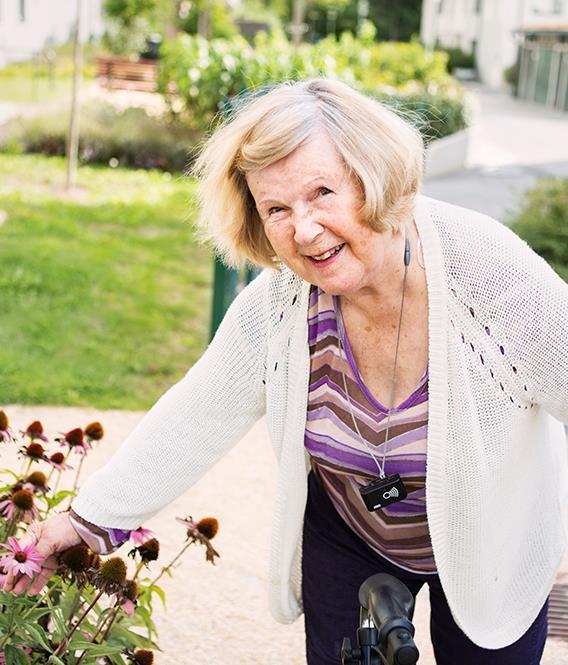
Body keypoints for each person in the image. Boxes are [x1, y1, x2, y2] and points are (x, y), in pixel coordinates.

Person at [3, 78, 568, 665]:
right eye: (277, 209)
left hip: (491, 538)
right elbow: (196, 413)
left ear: (373, 177)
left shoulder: (493, 281)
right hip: (350, 526)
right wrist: (87, 520)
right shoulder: (282, 304)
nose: (303, 229)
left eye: (322, 192)